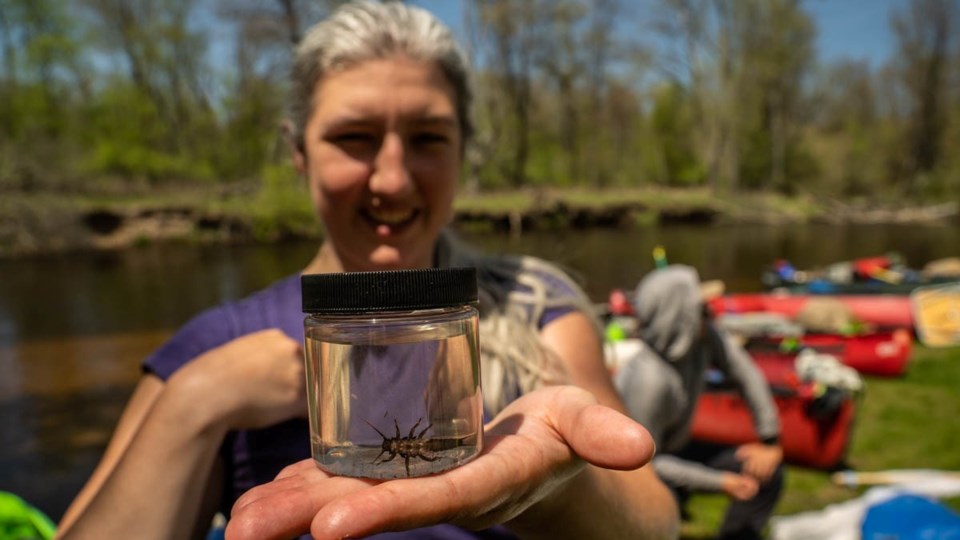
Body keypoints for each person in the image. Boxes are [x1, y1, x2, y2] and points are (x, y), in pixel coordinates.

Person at [56, 2, 679, 539]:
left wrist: (557, 491)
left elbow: (658, 525)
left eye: (428, 137)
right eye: (354, 137)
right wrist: (194, 405)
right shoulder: (214, 346)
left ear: (464, 147)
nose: (392, 178)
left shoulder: (537, 304)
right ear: (298, 151)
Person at [614, 265, 785, 540]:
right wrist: (720, 482)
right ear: (679, 316)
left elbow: (745, 373)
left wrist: (770, 440)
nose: (709, 311)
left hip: (676, 450)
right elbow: (644, 464)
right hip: (641, 473)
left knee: (768, 473)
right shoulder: (648, 381)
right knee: (659, 521)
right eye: (700, 307)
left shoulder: (703, 337)